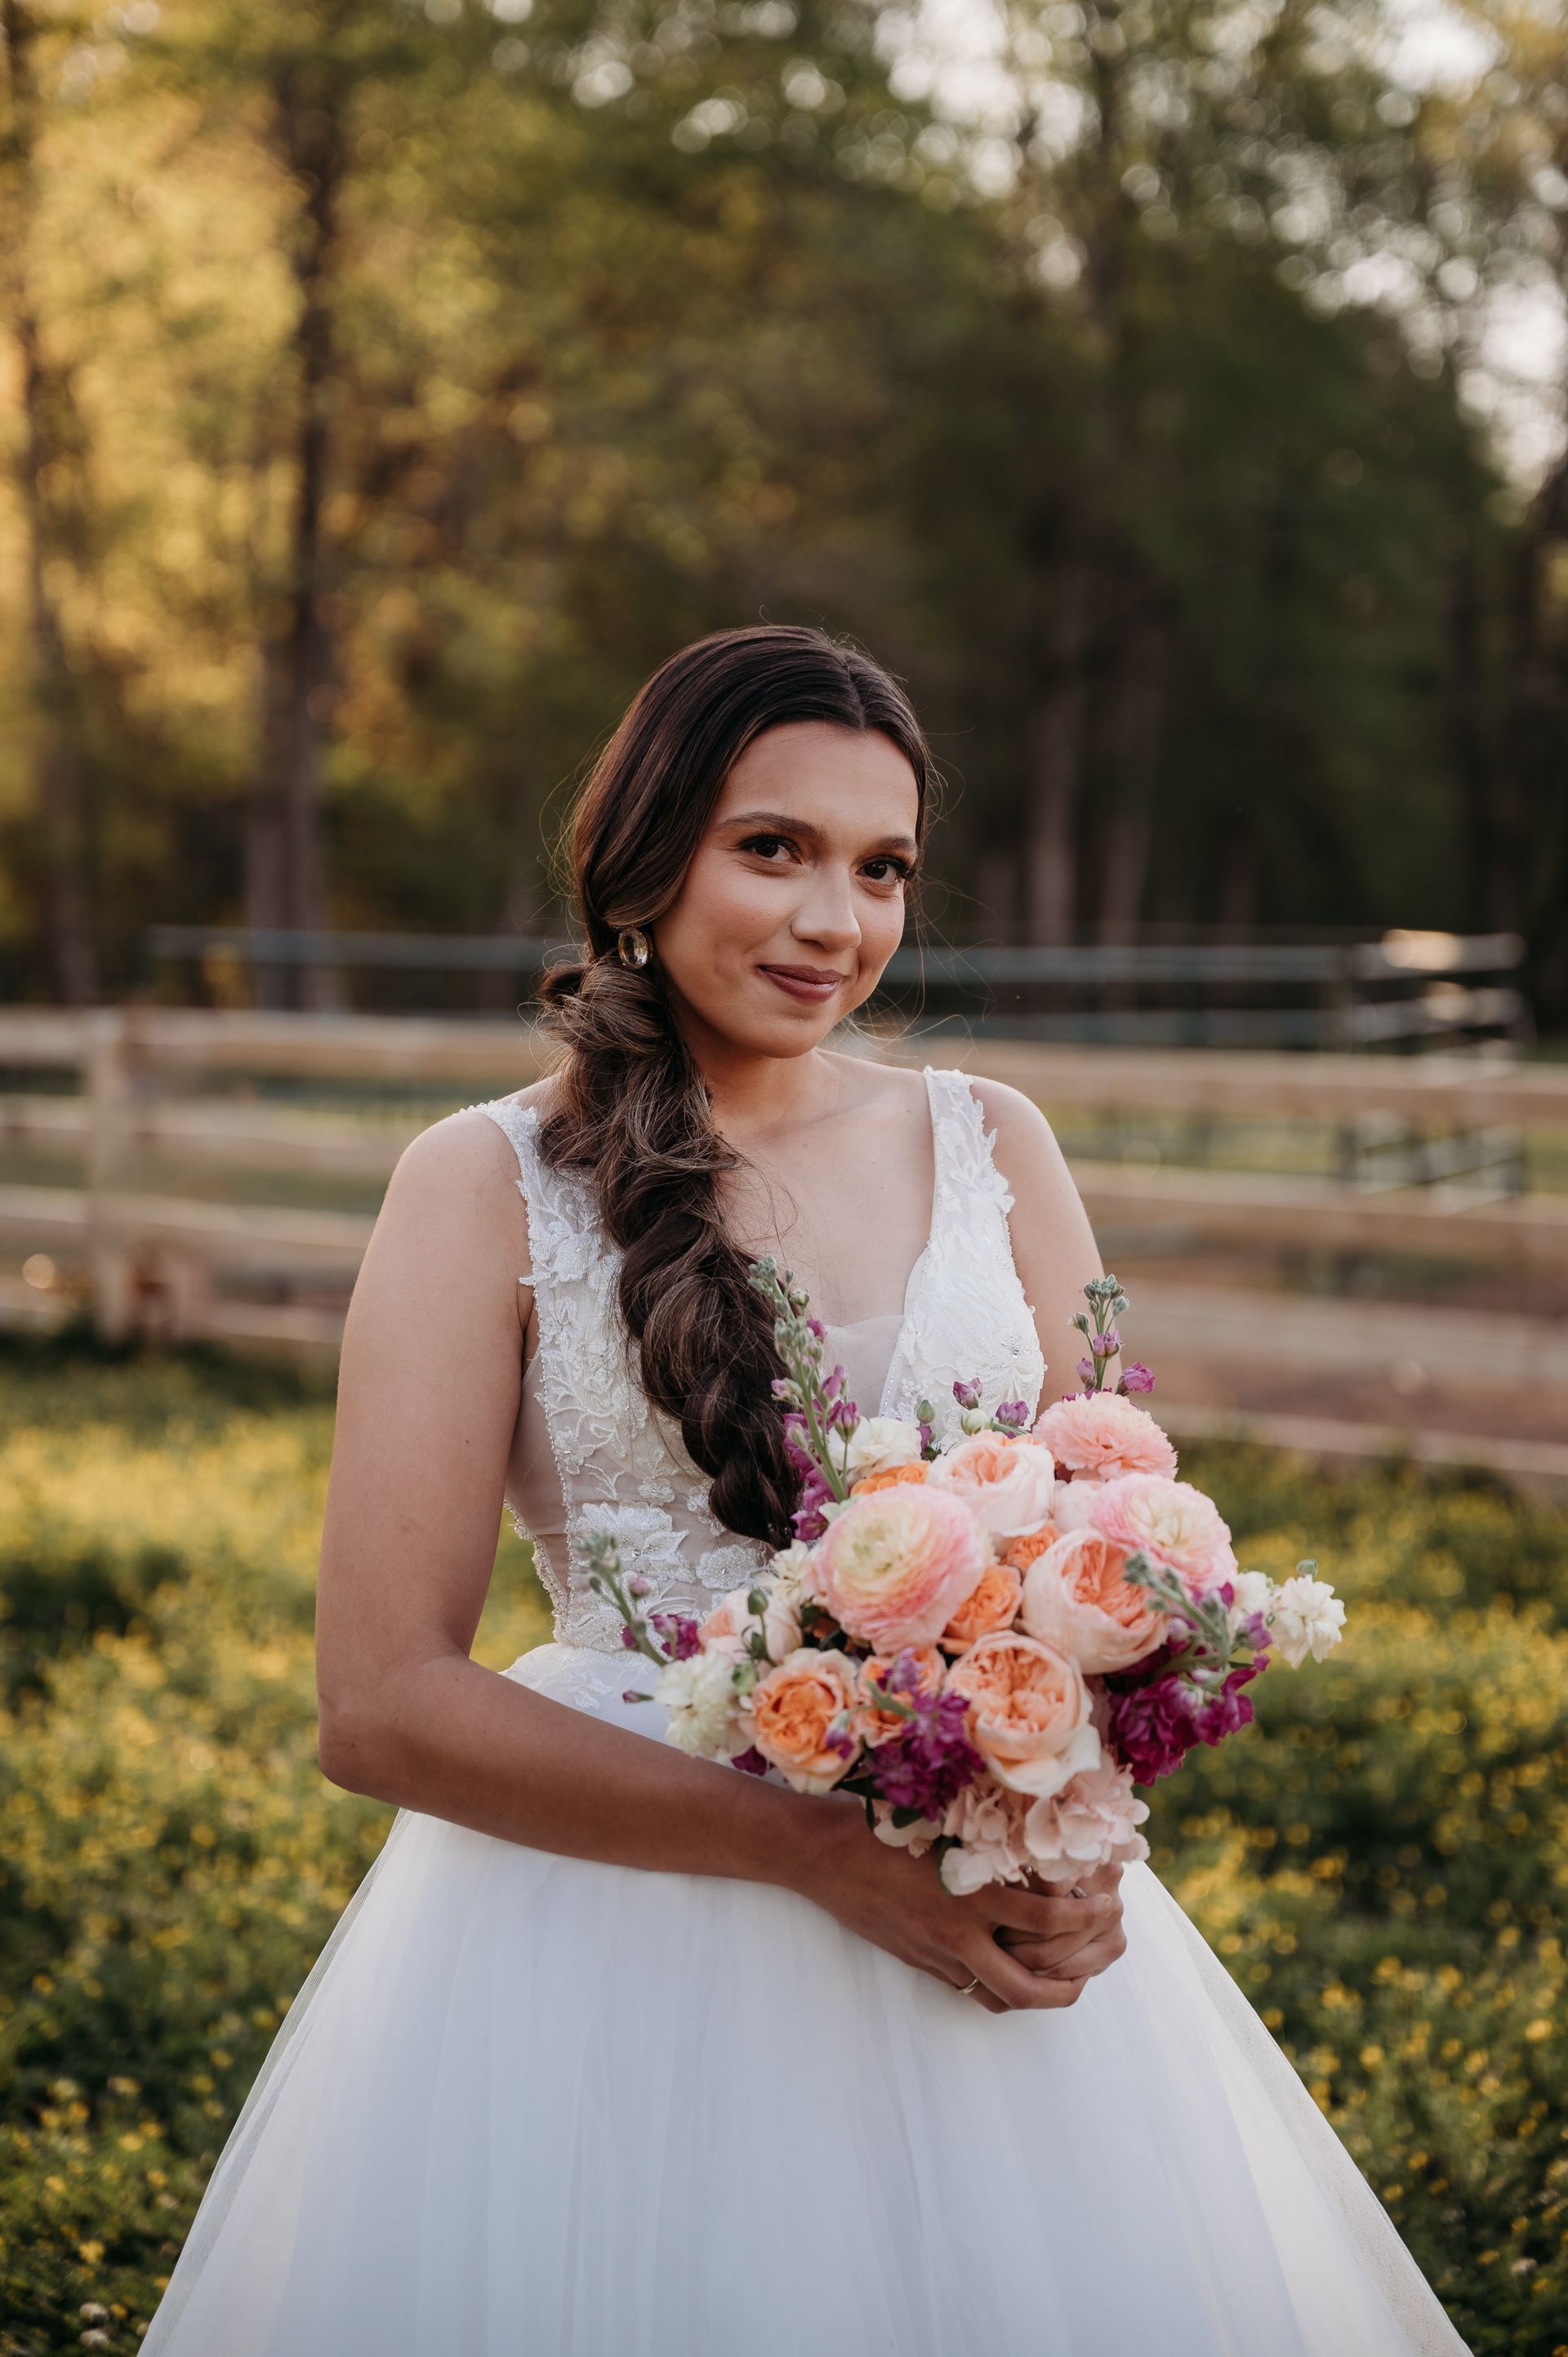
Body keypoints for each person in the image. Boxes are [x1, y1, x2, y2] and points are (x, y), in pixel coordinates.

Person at [144, 625, 1468, 2356]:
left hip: (973, 1898)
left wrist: (1068, 1818)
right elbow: (378, 1703)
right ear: (645, 853)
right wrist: (816, 1855)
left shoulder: (996, 1142)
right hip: (609, 1938)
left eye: (882, 867)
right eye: (772, 849)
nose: (835, 922)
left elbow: (1108, 1560)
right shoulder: (480, 1186)